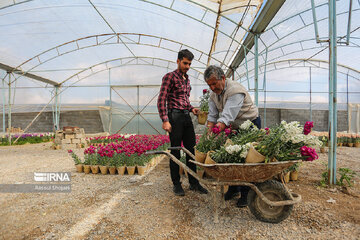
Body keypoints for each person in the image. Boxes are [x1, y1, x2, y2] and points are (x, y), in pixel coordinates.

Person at [204, 65, 261, 207]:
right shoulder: (213, 95)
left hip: (250, 124)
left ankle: (246, 193)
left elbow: (226, 117)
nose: (212, 87)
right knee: (232, 157)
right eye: (209, 85)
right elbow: (212, 116)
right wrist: (208, 133)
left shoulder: (235, 91)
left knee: (247, 160)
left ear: (222, 78)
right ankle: (234, 188)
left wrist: (215, 133)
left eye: (214, 83)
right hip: (235, 127)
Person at [157, 49, 208, 196]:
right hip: (175, 117)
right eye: (185, 63)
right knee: (175, 150)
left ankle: (194, 183)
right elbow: (161, 99)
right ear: (178, 61)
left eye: (190, 64)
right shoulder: (169, 77)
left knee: (191, 150)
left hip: (186, 116)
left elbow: (184, 101)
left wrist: (192, 109)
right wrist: (165, 120)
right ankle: (177, 184)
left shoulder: (187, 79)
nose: (187, 66)